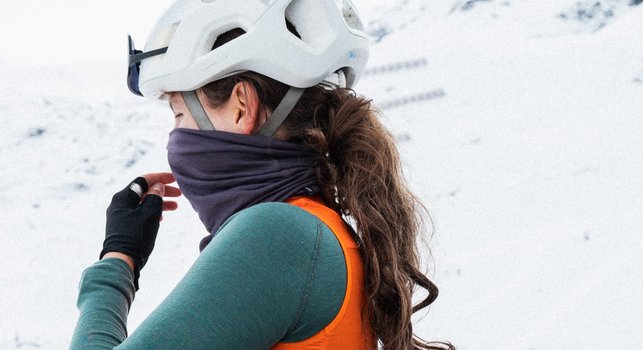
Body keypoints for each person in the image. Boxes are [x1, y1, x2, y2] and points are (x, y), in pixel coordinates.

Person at [71, 0, 454, 349]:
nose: (175, 137)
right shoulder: (319, 231)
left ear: (241, 107)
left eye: (179, 113)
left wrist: (118, 260)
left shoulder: (280, 235)